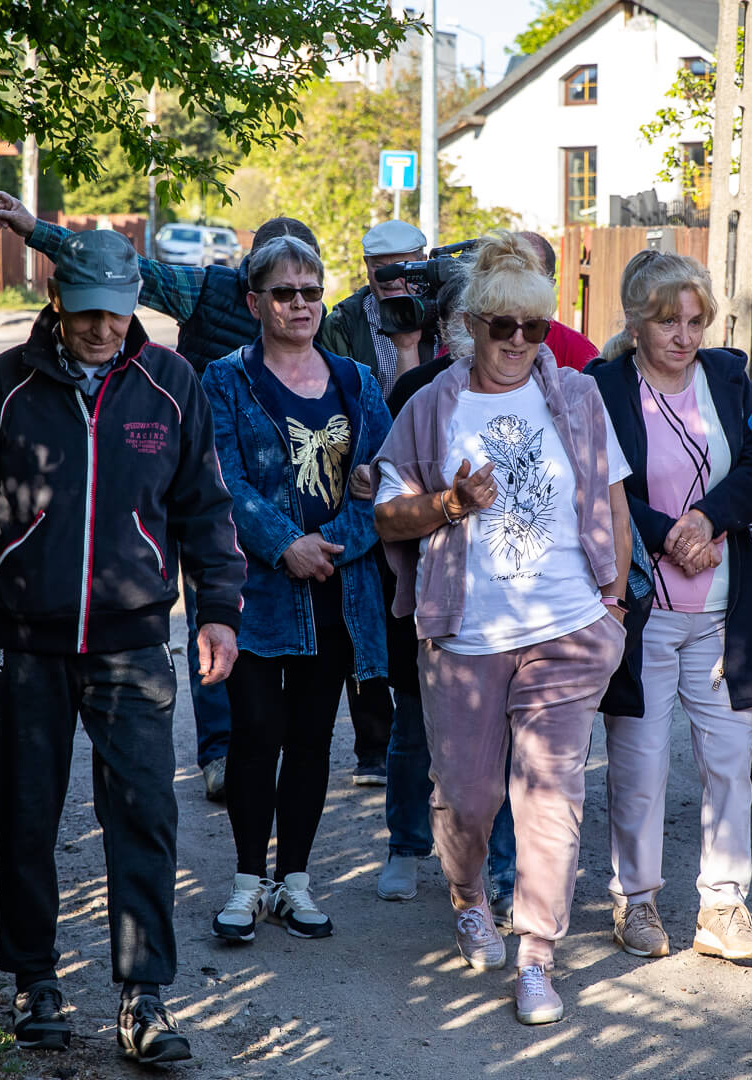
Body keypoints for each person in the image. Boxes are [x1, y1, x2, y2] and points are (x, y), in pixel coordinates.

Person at [0, 227, 243, 1064]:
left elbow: (206, 508)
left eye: (118, 313)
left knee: (143, 814)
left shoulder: (170, 384)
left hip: (133, 643)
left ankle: (144, 997)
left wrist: (219, 612)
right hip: (24, 644)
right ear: (57, 299)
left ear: (135, 305)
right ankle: (35, 980)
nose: (104, 329)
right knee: (26, 816)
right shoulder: (5, 387)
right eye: (89, 312)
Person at [0, 188, 322, 803]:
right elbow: (119, 271)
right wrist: (35, 231)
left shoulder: (314, 317)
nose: (293, 299)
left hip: (280, 484)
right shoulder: (203, 292)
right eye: (275, 282)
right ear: (251, 277)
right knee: (210, 614)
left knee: (269, 620)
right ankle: (221, 751)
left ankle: (275, 749)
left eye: (303, 284)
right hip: (200, 470)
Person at [374, 230, 631, 1026]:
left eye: (534, 327)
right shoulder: (429, 406)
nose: (519, 343)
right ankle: (467, 894)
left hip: (567, 625)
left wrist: (613, 602)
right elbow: (387, 513)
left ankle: (536, 954)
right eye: (502, 327)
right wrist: (450, 505)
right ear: (472, 328)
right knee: (471, 799)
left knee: (551, 792)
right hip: (466, 636)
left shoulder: (579, 397)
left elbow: (613, 499)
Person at [586, 249, 752, 964]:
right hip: (642, 608)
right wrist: (666, 532)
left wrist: (709, 519)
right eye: (669, 321)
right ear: (637, 321)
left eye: (696, 321)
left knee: (729, 758)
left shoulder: (728, 376)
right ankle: (634, 902)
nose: (684, 335)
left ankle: (723, 907)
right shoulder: (602, 385)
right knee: (638, 763)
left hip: (724, 607)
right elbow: (594, 480)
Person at [200, 236, 393, 943]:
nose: (301, 305)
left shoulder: (355, 380)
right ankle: (249, 883)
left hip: (340, 591)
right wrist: (287, 545)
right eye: (284, 294)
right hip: (256, 591)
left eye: (311, 292)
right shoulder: (226, 380)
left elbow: (387, 477)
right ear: (255, 303)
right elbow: (223, 481)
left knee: (313, 739)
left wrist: (332, 543)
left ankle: (297, 881)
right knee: (255, 735)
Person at [362, 258, 519, 913]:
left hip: (505, 599)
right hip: (423, 590)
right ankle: (405, 844)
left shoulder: (529, 388)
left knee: (503, 740)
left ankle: (505, 873)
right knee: (413, 729)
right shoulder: (419, 389)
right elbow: (383, 488)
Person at [318, 220, 437, 788]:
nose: (395, 279)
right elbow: (333, 393)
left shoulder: (444, 309)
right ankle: (373, 746)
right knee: (367, 606)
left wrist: (413, 342)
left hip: (432, 474)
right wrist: (362, 461)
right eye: (383, 268)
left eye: (405, 265)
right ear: (367, 269)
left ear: (423, 261)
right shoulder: (342, 320)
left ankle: (430, 735)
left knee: (422, 608)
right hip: (360, 471)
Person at [319, 219, 435, 396]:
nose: (390, 279)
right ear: (366, 265)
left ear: (422, 263)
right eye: (380, 269)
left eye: (401, 268)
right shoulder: (342, 325)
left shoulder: (445, 314)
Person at [516, 229, 599, 371]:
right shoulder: (477, 337)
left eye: (532, 276)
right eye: (512, 271)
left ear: (550, 285)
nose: (520, 282)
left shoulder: (577, 350)